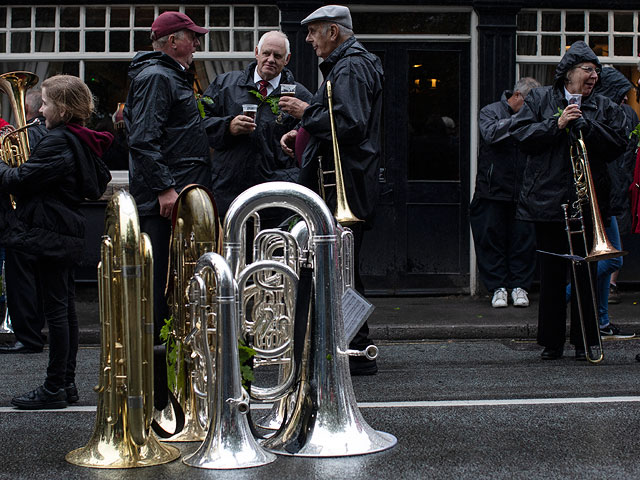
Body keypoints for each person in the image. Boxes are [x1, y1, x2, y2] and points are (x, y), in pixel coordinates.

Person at [279, 5, 384, 375]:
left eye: (313, 32)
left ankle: (356, 348)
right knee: (342, 267)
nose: (308, 40)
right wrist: (306, 135)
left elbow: (351, 123)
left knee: (343, 267)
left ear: (333, 32)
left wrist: (305, 113)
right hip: (350, 179)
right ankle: (349, 344)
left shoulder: (351, 65)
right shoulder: (349, 63)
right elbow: (342, 122)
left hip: (348, 184)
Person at [0, 74, 112, 409]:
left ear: (62, 108)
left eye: (46, 103)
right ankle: (65, 384)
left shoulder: (58, 141)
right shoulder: (78, 137)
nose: (41, 109)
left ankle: (54, 387)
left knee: (58, 312)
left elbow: (21, 179)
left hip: (51, 229)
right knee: (64, 310)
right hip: (64, 227)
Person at [510, 41, 627, 361]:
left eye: (596, 71)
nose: (593, 76)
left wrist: (586, 126)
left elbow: (618, 144)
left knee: (586, 275)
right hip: (549, 200)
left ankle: (585, 340)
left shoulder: (603, 105)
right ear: (568, 72)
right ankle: (551, 342)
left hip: (589, 201)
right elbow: (520, 135)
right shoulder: (540, 99)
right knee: (551, 274)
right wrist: (556, 124)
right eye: (587, 70)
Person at [124, 11, 209, 347]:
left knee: (173, 280)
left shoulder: (169, 75)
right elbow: (143, 139)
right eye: (192, 37)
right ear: (173, 41)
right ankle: (161, 366)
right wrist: (165, 189)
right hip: (165, 200)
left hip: (179, 193)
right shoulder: (158, 76)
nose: (198, 44)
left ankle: (170, 355)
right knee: (162, 283)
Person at [202, 30, 312, 220]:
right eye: (266, 53)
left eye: (277, 56)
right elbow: (199, 125)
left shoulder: (299, 95)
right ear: (256, 53)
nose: (270, 59)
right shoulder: (225, 85)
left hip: (277, 196)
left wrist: (296, 132)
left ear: (287, 59)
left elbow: (314, 131)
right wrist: (228, 127)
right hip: (230, 193)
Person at [470, 78, 540, 309]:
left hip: (523, 190)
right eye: (531, 102)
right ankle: (498, 288)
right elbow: (490, 134)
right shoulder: (490, 111)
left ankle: (520, 286)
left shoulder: (530, 114)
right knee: (491, 239)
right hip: (492, 190)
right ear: (518, 96)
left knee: (523, 240)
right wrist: (521, 119)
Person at [0, 88, 48, 354]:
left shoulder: (26, 135)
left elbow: (14, 176)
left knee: (21, 279)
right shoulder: (51, 134)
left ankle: (27, 336)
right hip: (44, 218)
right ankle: (34, 331)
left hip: (21, 216)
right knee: (39, 280)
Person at [590, 67, 637, 339]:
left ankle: (603, 320)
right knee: (610, 261)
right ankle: (565, 294)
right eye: (620, 96)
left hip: (614, 198)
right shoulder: (607, 117)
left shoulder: (621, 116)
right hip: (604, 200)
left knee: (610, 259)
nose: (624, 101)